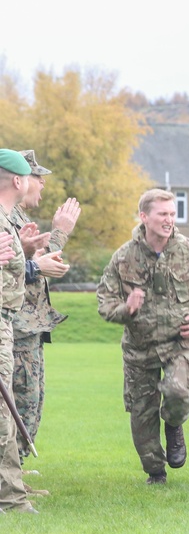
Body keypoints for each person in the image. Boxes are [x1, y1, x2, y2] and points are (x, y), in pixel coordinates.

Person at [97, 189, 189, 485]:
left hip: (179, 343)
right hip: (139, 348)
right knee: (141, 417)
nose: (169, 220)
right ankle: (156, 472)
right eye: (162, 214)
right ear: (144, 217)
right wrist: (125, 309)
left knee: (179, 391)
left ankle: (174, 424)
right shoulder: (124, 257)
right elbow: (104, 303)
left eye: (172, 214)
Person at [12, 151, 80, 483]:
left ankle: (13, 475)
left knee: (30, 405)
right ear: (18, 179)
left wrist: (37, 251)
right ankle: (8, 482)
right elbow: (18, 271)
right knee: (18, 406)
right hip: (15, 328)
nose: (41, 184)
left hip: (29, 327)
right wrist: (59, 234)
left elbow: (31, 268)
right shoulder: (5, 218)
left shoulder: (15, 218)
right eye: (37, 177)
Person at [0, 149, 41, 513]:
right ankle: (11, 500)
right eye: (29, 175)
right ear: (17, 180)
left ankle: (13, 492)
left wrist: (27, 256)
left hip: (5, 321)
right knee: (2, 412)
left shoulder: (7, 220)